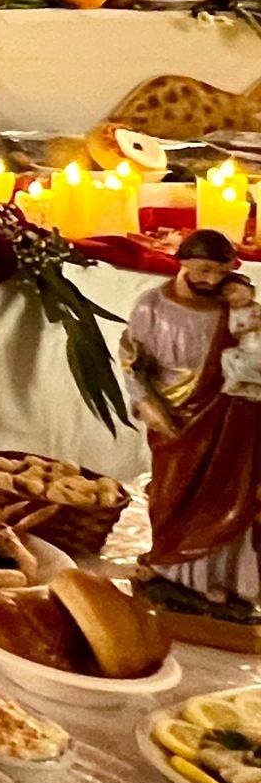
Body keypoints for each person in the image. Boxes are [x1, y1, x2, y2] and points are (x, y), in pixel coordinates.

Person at [121, 229, 261, 603]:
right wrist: (145, 403)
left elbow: (254, 352)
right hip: (174, 416)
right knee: (170, 493)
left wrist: (246, 306)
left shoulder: (233, 307)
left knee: (225, 495)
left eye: (221, 272)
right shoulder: (151, 306)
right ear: (182, 263)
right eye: (203, 270)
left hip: (228, 416)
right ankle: (170, 564)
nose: (211, 281)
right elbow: (132, 360)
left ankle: (218, 577)